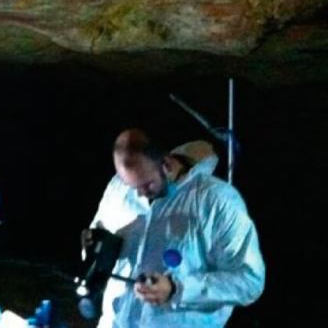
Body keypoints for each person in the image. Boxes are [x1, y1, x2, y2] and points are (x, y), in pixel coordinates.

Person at [86, 129, 264, 328]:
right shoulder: (120, 187)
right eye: (131, 185)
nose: (139, 194)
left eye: (147, 185)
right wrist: (92, 243)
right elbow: (98, 232)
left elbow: (249, 281)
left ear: (166, 164)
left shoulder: (216, 200)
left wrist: (176, 289)